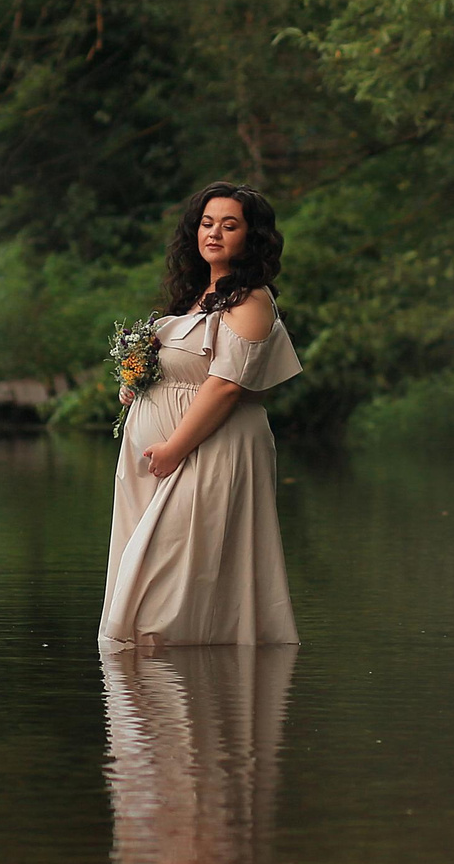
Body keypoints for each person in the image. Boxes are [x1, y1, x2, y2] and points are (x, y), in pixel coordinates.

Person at [96, 182, 303, 650]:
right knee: (154, 566)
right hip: (167, 459)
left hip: (208, 450)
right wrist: (138, 381)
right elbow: (183, 367)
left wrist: (173, 448)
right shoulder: (195, 296)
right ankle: (170, 690)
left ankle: (174, 683)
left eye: (230, 226)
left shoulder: (252, 300)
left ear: (252, 237)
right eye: (207, 224)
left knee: (169, 573)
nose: (215, 234)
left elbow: (228, 385)